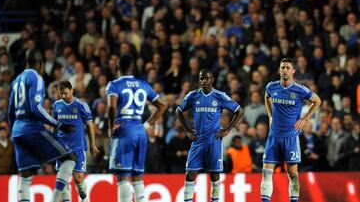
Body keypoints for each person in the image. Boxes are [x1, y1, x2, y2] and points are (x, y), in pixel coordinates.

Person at [8, 50, 77, 202]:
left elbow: (10, 111)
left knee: (25, 176)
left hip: (18, 131)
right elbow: (36, 109)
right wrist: (58, 124)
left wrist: (14, 132)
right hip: (32, 128)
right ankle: (55, 199)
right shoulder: (36, 78)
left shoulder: (16, 80)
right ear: (40, 64)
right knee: (70, 157)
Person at [176, 69, 244, 202]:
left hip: (214, 140)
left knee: (214, 176)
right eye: (201, 78)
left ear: (212, 79)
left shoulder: (220, 96)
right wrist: (187, 130)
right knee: (190, 174)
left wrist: (228, 128)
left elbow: (239, 111)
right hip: (198, 140)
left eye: (207, 78)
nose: (204, 81)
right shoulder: (193, 95)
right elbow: (178, 111)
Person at [105, 54, 166, 202]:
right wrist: (146, 125)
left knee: (123, 178)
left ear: (117, 67)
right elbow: (162, 105)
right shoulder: (143, 84)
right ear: (133, 67)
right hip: (140, 131)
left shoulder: (114, 85)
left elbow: (112, 106)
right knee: (138, 178)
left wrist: (111, 125)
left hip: (124, 132)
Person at [260, 58, 321, 202]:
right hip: (273, 136)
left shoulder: (300, 89)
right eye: (282, 68)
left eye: (287, 67)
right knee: (266, 172)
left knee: (293, 175)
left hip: (291, 137)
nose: (284, 70)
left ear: (293, 70)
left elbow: (317, 100)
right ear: (279, 70)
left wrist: (304, 119)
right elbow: (266, 97)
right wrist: (270, 115)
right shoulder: (272, 86)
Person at [53, 80, 100, 202]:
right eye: (60, 94)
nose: (63, 96)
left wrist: (92, 145)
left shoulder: (81, 105)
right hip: (62, 149)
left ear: (71, 90)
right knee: (63, 181)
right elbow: (54, 124)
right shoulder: (57, 105)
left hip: (78, 148)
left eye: (65, 93)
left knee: (78, 179)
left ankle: (84, 198)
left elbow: (89, 125)